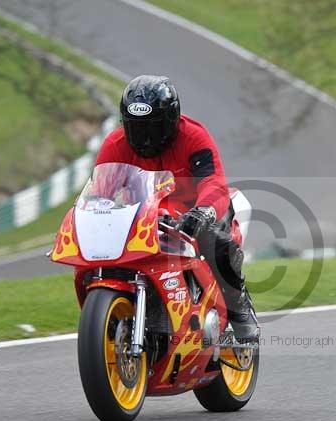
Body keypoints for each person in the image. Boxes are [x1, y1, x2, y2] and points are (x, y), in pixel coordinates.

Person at [95, 75, 259, 341]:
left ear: (172, 119)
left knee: (213, 238)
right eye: (137, 128)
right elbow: (102, 193)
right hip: (143, 217)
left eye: (153, 127)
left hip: (193, 214)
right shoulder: (115, 145)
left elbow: (213, 182)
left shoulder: (194, 136)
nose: (145, 137)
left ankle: (237, 304)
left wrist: (203, 212)